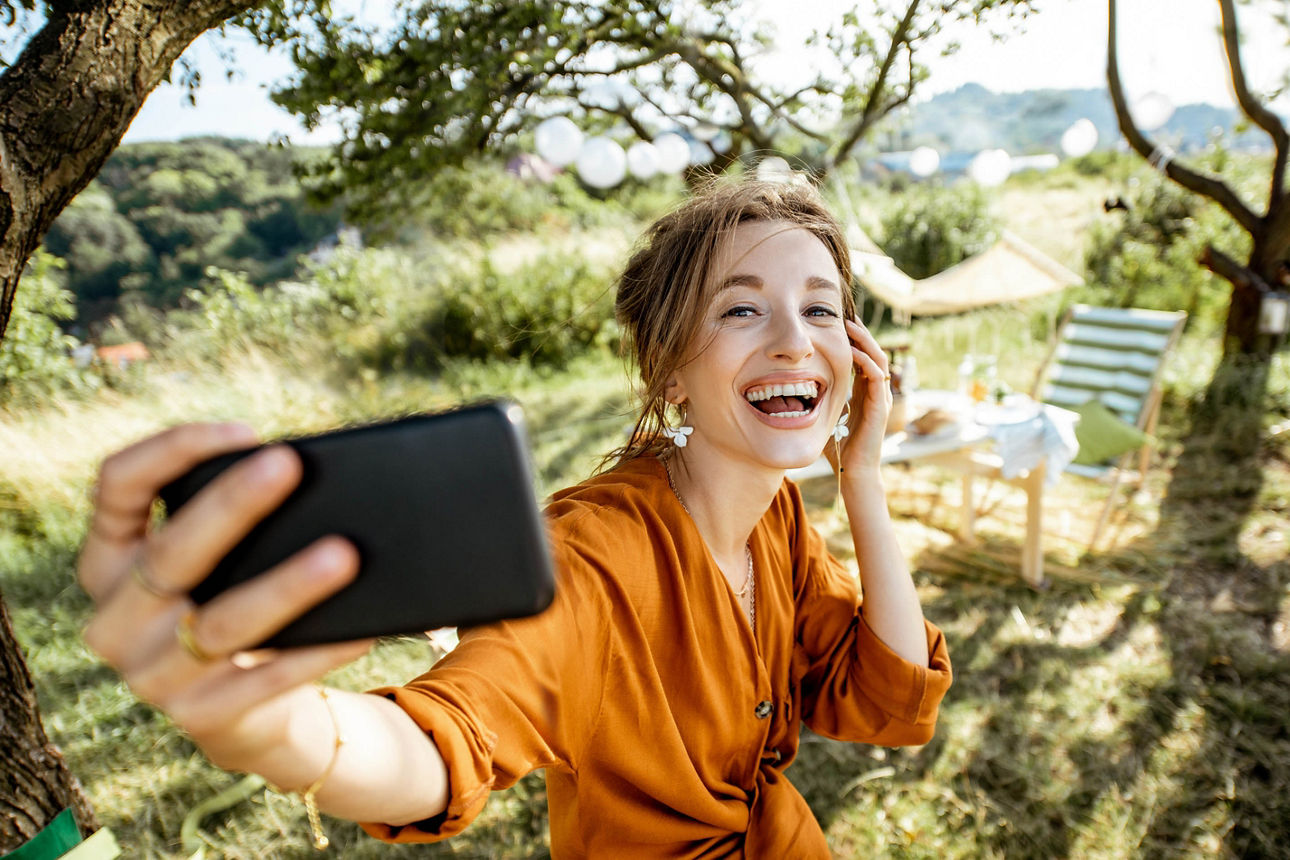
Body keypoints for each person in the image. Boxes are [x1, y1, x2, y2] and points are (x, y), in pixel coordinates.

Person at [79, 178, 952, 857]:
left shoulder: (783, 519)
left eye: (822, 308)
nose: (797, 339)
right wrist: (281, 731)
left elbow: (888, 701)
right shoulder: (593, 553)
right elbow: (444, 736)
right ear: (669, 371)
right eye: (741, 307)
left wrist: (862, 475)